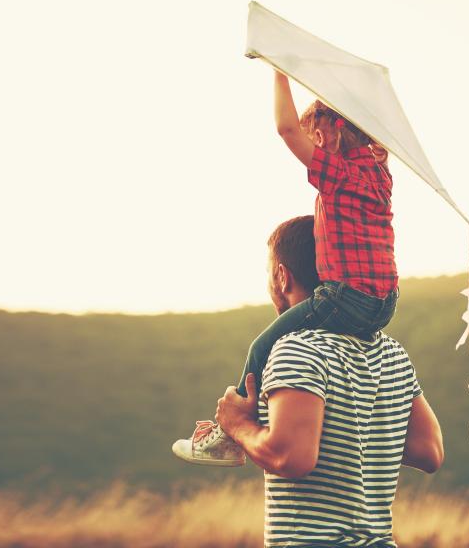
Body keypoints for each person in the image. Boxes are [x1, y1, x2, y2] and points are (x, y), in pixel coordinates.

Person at [173, 70, 400, 464]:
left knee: (262, 346)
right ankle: (288, 414)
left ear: (331, 134)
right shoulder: (380, 176)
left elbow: (285, 129)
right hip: (386, 303)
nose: (311, 143)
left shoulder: (340, 174)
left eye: (316, 136)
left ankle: (230, 434)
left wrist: (280, 71)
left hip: (346, 297)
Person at [174, 215, 444, 547]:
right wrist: (351, 431)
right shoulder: (392, 353)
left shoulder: (297, 347)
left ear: (281, 276)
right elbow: (429, 451)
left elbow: (292, 458)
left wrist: (238, 426)